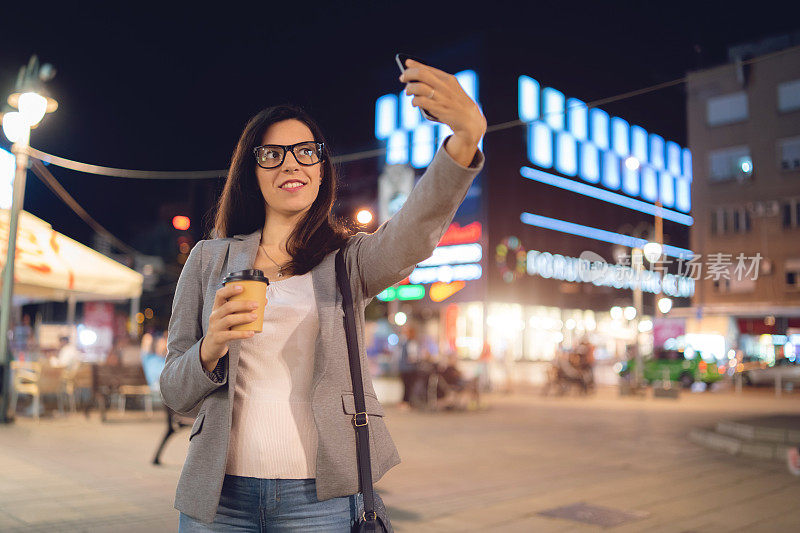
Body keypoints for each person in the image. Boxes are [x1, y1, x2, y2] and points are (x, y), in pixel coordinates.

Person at [160, 60, 486, 530]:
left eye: (305, 151)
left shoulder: (345, 261)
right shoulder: (209, 260)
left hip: (320, 497)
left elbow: (412, 234)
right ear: (252, 171)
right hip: (220, 497)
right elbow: (175, 392)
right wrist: (209, 349)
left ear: (321, 167)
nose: (291, 162)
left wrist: (463, 143)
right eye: (272, 154)